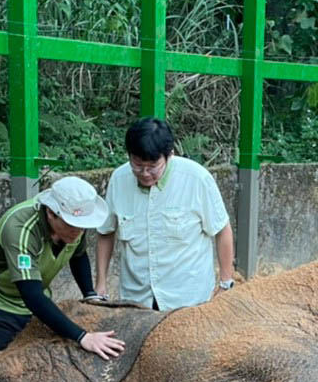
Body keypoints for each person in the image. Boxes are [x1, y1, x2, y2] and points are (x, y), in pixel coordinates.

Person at [0, 176, 124, 359]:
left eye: (83, 227)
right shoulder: (20, 229)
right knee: (10, 368)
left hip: (36, 300)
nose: (78, 233)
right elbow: (31, 295)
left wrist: (90, 294)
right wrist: (83, 337)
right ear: (51, 214)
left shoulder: (74, 228)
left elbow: (78, 255)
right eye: (73, 226)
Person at [96, 117, 235, 311]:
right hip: (135, 301)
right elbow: (106, 232)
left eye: (152, 167)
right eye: (136, 164)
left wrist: (226, 282)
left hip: (189, 301)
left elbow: (222, 229)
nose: (144, 173)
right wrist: (100, 285)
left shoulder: (197, 179)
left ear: (169, 155)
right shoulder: (119, 179)